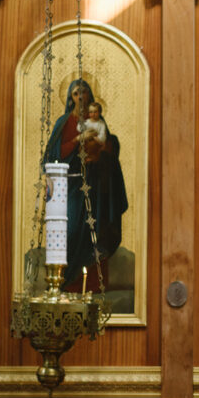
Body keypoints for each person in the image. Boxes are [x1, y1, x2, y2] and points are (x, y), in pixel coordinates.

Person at [44, 79, 128, 287]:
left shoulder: (98, 121)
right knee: (71, 230)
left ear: (90, 95)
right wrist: (77, 140)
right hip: (70, 186)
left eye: (83, 92)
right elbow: (53, 154)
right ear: (70, 98)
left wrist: (104, 150)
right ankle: (65, 284)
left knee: (96, 235)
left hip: (95, 187)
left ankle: (93, 286)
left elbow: (108, 148)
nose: (80, 97)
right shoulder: (64, 123)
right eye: (76, 93)